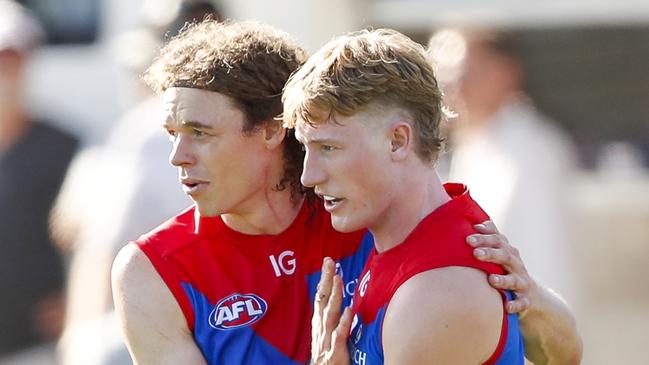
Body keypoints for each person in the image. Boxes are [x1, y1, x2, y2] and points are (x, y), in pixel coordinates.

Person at [111, 19, 581, 365]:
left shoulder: (361, 212)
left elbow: (559, 354)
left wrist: (528, 298)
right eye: (172, 131)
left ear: (274, 131)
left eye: (201, 132)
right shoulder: (153, 270)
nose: (177, 155)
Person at [283, 28, 582, 364]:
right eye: (308, 149)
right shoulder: (407, 239)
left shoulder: (433, 294)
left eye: (329, 148)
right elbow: (565, 352)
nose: (309, 176)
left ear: (397, 140)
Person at [446, 29, 580, 303]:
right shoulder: (473, 147)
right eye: (447, 78)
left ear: (506, 73)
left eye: (466, 75)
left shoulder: (531, 151)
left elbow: (546, 263)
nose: (454, 90)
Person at [0, 0, 79, 360]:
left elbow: (93, 239)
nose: (5, 69)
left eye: (12, 57)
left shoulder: (65, 148)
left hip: (35, 346)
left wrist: (75, 304)